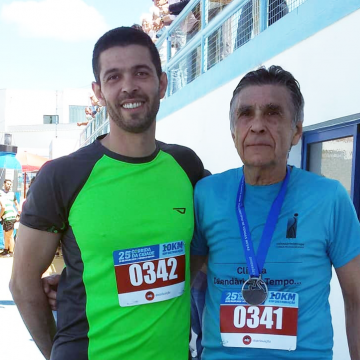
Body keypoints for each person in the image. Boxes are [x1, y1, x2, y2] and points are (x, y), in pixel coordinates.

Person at [10, 26, 206, 360]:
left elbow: (199, 250)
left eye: (141, 73)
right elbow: (23, 283)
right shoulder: (64, 175)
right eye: (113, 77)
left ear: (161, 84)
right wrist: (57, 350)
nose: (129, 86)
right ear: (98, 91)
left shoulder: (186, 165)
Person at [190, 66, 360, 359]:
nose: (257, 125)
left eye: (272, 113)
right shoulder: (206, 194)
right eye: (245, 114)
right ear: (233, 132)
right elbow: (184, 281)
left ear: (296, 131)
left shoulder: (329, 198)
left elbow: (356, 298)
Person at [0, 179, 20, 257]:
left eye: (10, 184)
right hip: (5, 217)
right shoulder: (1, 193)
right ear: (4, 184)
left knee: (10, 235)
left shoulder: (12, 194)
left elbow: (16, 204)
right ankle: (6, 250)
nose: (9, 185)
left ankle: (11, 252)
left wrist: (18, 213)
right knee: (6, 234)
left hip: (10, 216)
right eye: (8, 184)